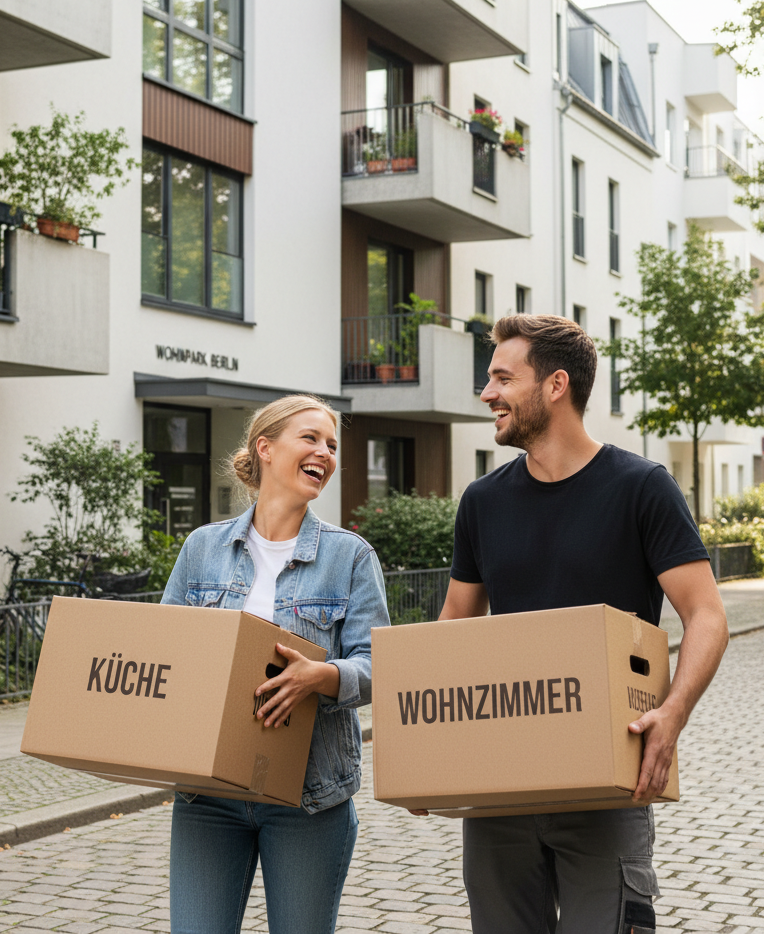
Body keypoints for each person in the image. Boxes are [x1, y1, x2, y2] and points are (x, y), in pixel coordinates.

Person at [424, 314, 729, 933]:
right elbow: (453, 625)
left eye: (503, 379)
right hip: (500, 787)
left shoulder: (642, 488)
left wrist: (671, 716)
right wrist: (429, 752)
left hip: (607, 784)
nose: (488, 394)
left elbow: (706, 615)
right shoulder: (482, 502)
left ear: (556, 385)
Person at [161, 393, 390, 934]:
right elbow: (165, 649)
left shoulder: (351, 557)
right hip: (207, 795)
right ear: (265, 448)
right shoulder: (202, 548)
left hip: (308, 800)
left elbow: (379, 663)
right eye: (310, 438)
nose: (325, 453)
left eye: (332, 445)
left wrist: (323, 676)